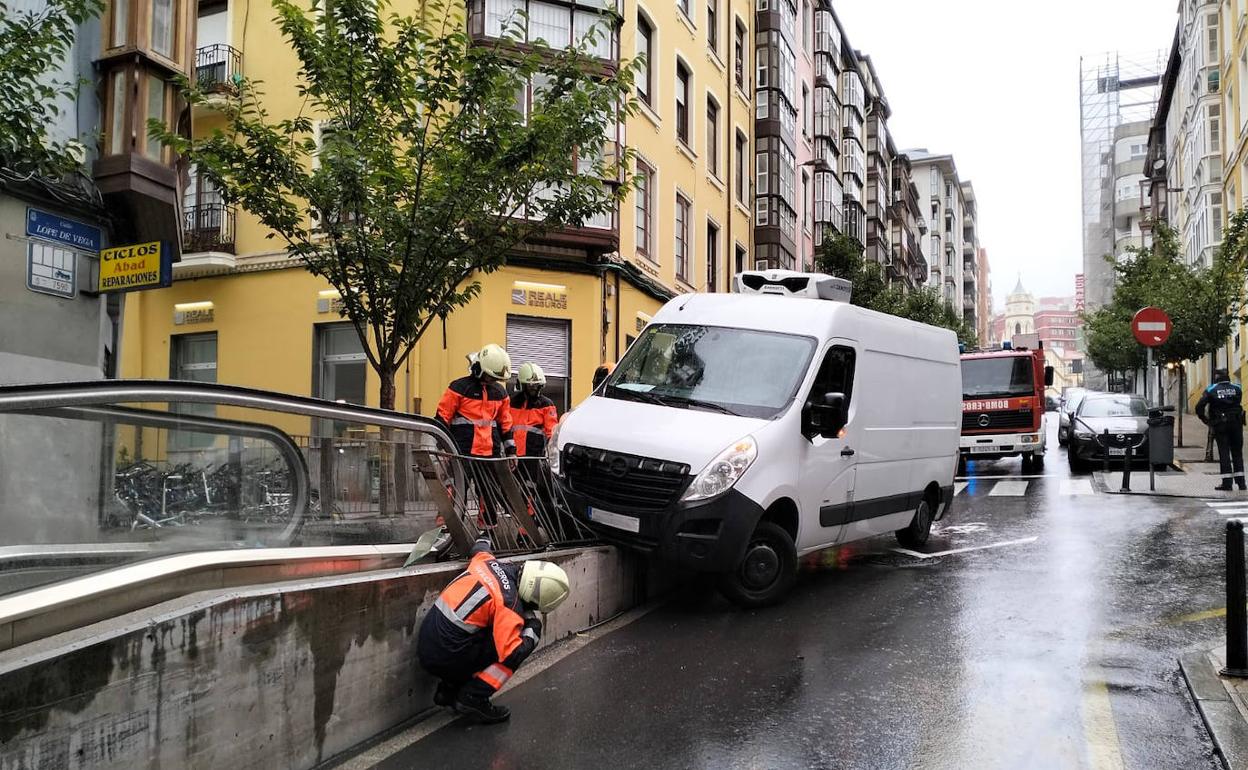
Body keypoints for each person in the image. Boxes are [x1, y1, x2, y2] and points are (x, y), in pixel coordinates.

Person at [417, 538, 571, 723]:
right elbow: (512, 654)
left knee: (480, 629)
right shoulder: (508, 603)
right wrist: (532, 628)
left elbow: (479, 546)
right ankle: (473, 698)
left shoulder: (487, 562)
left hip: (428, 643)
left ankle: (450, 690)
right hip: (444, 656)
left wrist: (484, 538)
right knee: (512, 646)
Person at [436, 344, 517, 524]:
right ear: (480, 369)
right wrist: (442, 450)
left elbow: (506, 424)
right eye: (490, 376)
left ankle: (487, 532)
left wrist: (511, 452)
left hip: (489, 455)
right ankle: (446, 529)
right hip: (459, 453)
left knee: (488, 494)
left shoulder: (500, 393)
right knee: (455, 491)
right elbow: (442, 418)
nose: (492, 380)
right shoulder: (458, 387)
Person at [1197, 368, 1246, 491]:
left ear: (1216, 378)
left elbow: (1199, 406)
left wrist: (1205, 419)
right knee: (1237, 452)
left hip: (1220, 424)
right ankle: (1241, 483)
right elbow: (1238, 402)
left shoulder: (1211, 389)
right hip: (1236, 423)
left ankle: (1227, 483)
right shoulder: (1237, 388)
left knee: (1224, 453)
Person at [511, 363, 558, 459]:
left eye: (536, 385)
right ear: (523, 385)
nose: (534, 388)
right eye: (530, 385)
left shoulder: (546, 405)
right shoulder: (511, 403)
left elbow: (552, 433)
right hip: (512, 456)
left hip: (535, 459)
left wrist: (552, 457)